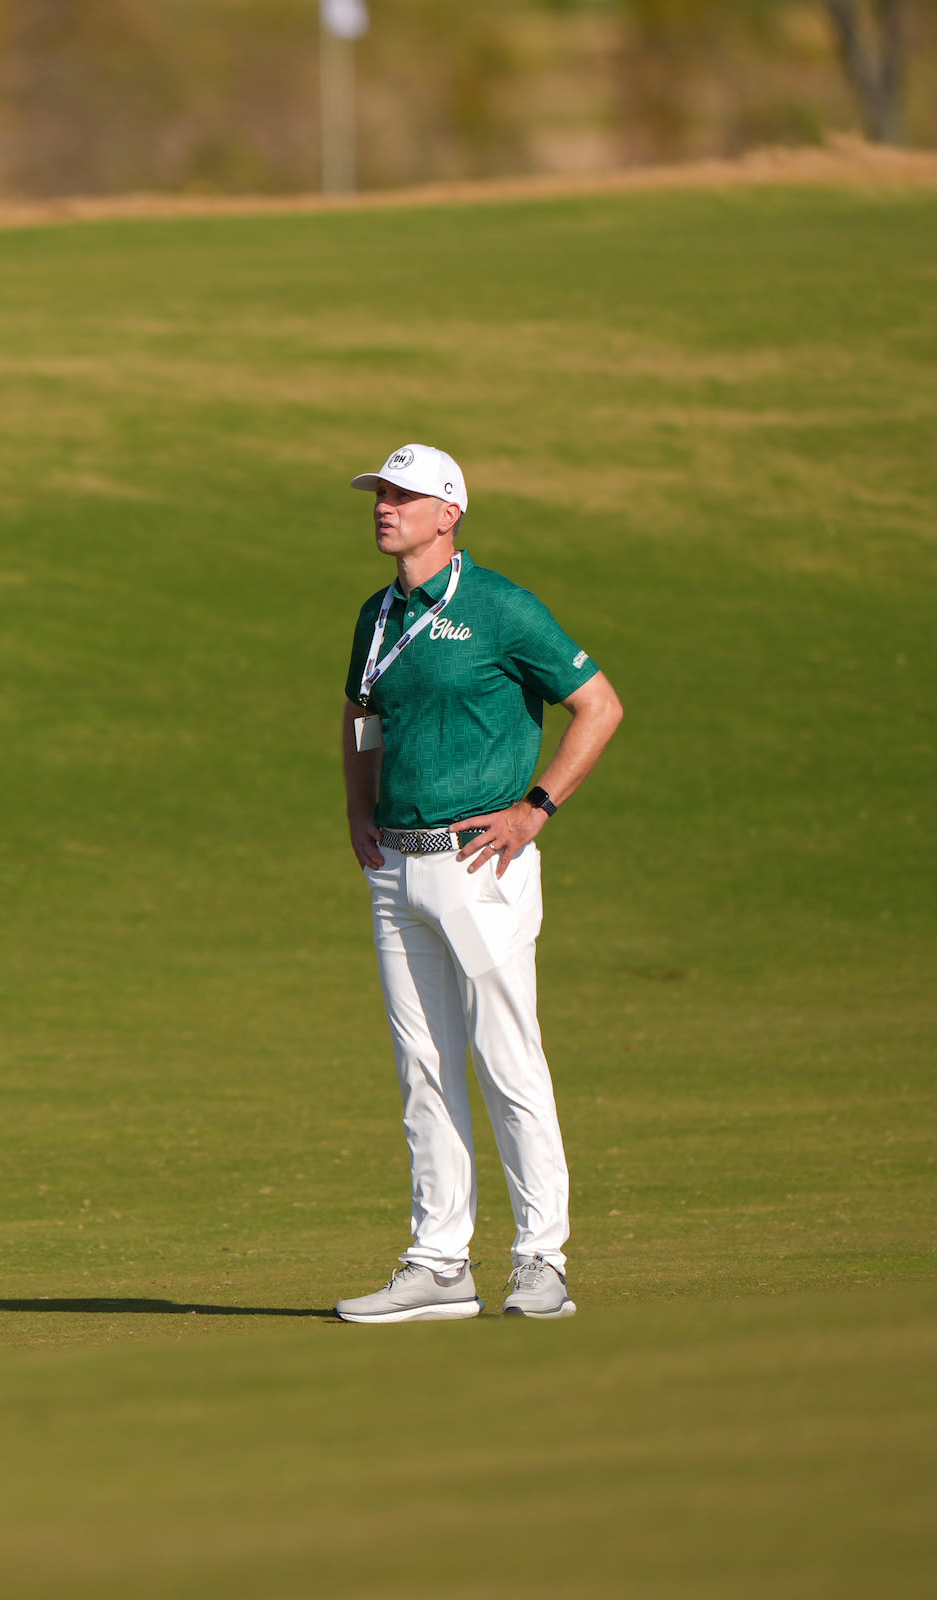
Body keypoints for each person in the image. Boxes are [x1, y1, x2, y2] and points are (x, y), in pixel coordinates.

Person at [332, 444, 624, 1324]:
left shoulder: (500, 608)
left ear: (448, 512)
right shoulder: (377, 615)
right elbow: (361, 716)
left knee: (506, 1058)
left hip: (479, 861)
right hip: (396, 864)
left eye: (403, 495)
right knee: (423, 1067)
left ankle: (543, 1261)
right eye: (380, 493)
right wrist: (357, 812)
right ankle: (438, 1262)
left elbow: (599, 706)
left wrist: (537, 808)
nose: (385, 506)